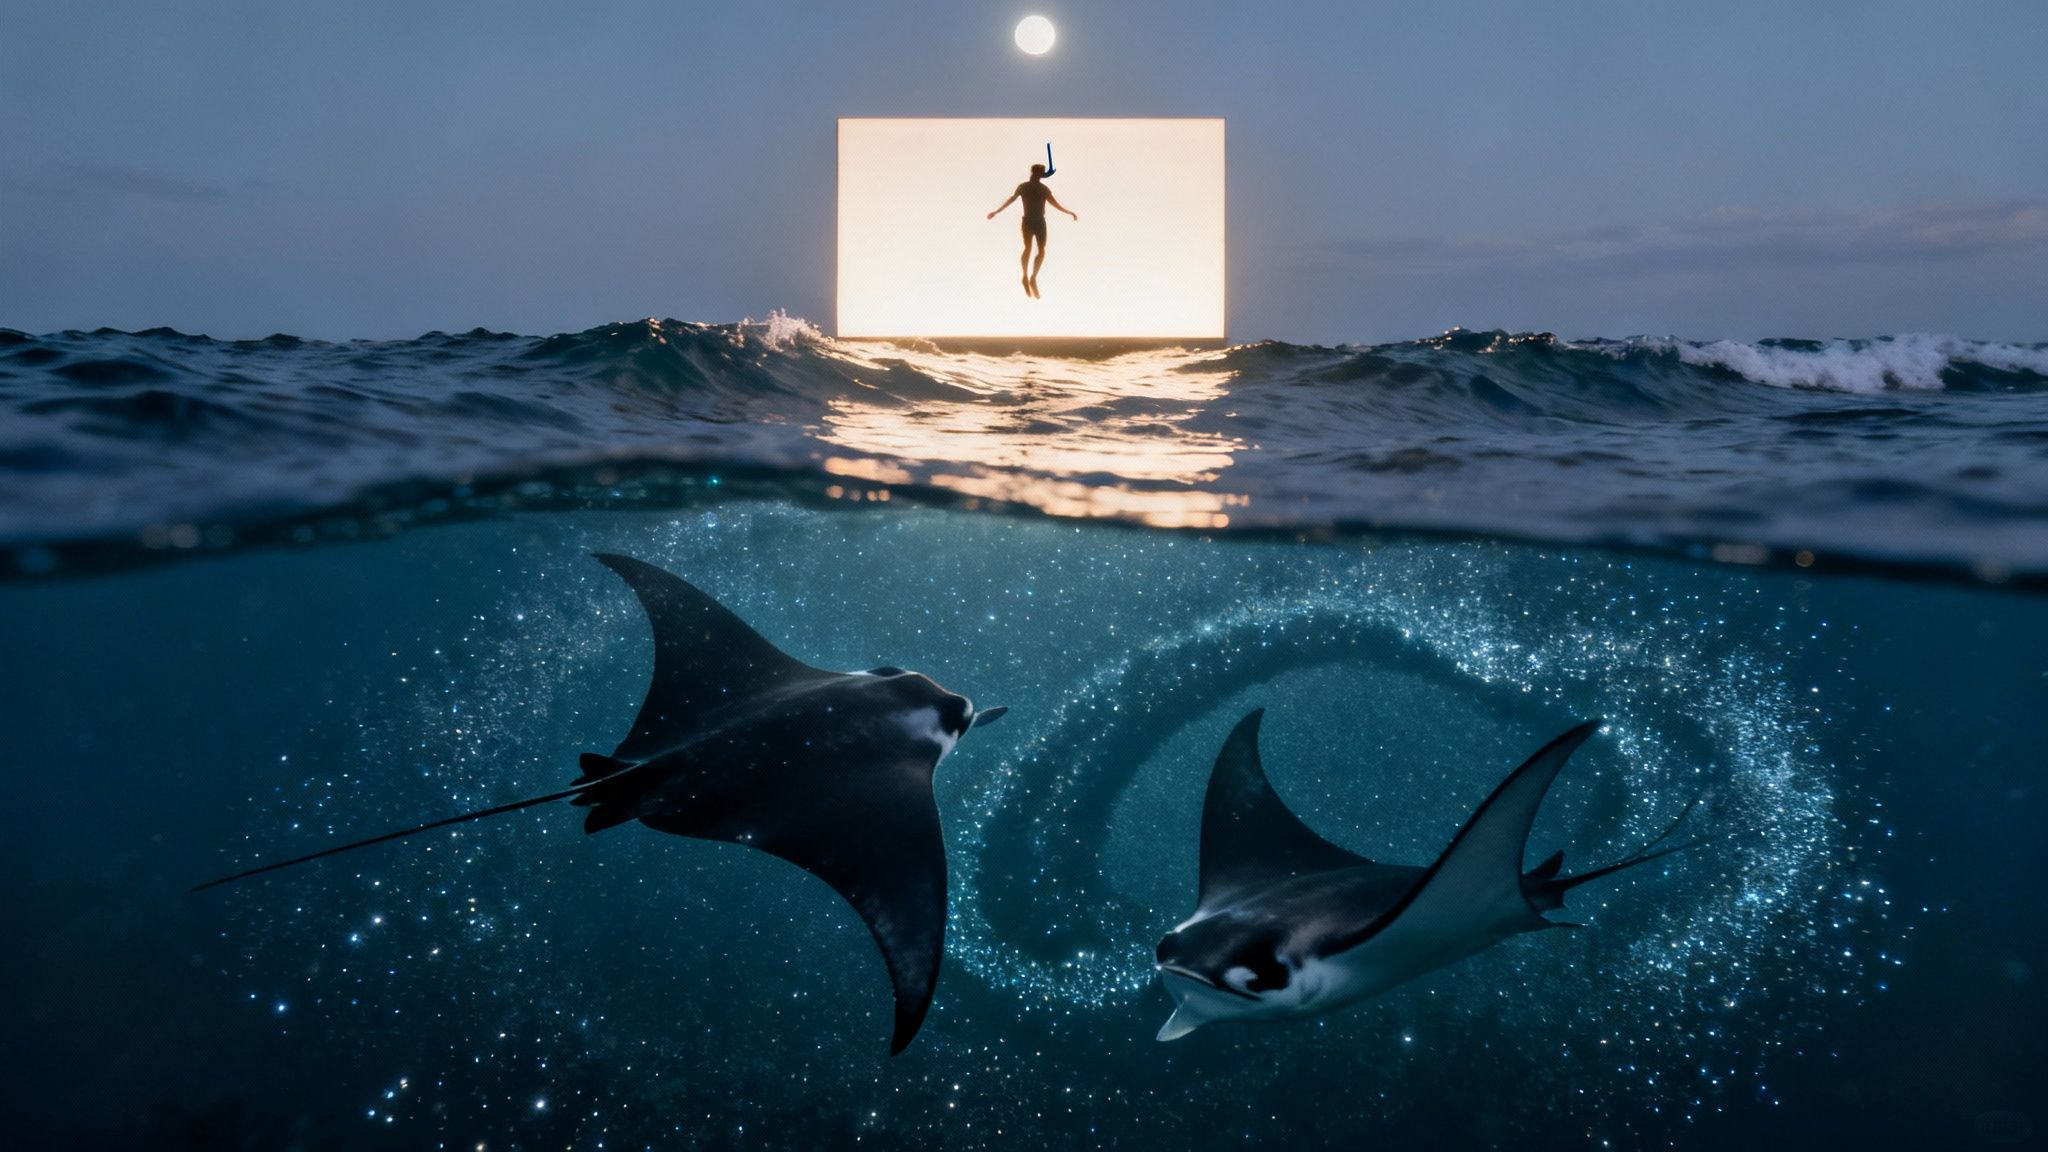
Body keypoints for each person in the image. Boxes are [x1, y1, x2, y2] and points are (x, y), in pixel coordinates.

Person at [986, 163, 1076, 298]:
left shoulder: (1044, 189)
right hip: (1028, 221)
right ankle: (1025, 277)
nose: (1038, 176)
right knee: (1028, 247)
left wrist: (1069, 212)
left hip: (1039, 221)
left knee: (1041, 250)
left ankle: (1032, 278)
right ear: (1035, 173)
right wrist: (996, 211)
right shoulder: (1024, 187)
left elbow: (1055, 204)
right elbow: (1011, 199)